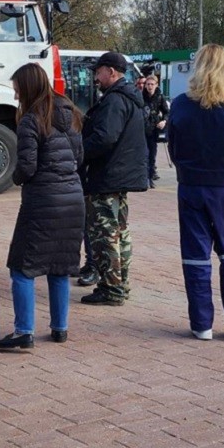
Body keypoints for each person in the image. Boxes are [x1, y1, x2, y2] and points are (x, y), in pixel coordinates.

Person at [0, 63, 85, 350]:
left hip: (42, 202)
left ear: (28, 87)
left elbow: (28, 167)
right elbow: (79, 158)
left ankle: (24, 331)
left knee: (21, 268)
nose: (16, 93)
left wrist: (16, 178)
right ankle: (60, 328)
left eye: (18, 88)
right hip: (72, 199)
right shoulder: (70, 114)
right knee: (59, 266)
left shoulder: (31, 120)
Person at [167, 43, 224, 341]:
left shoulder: (180, 104)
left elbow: (173, 147)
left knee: (195, 256)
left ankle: (202, 324)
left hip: (191, 186)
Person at [80, 51, 148, 306]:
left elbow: (105, 137)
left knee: (105, 234)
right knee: (119, 232)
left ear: (111, 72)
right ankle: (120, 283)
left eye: (98, 72)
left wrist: (80, 153)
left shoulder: (114, 100)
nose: (96, 77)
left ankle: (111, 289)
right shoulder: (129, 97)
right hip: (121, 176)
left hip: (108, 176)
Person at [142, 74, 169, 188]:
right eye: (148, 84)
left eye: (152, 84)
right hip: (142, 128)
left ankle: (150, 176)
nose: (149, 86)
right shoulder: (140, 96)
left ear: (156, 85)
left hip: (154, 129)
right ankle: (145, 178)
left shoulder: (160, 97)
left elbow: (167, 112)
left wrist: (164, 121)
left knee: (152, 154)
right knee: (144, 154)